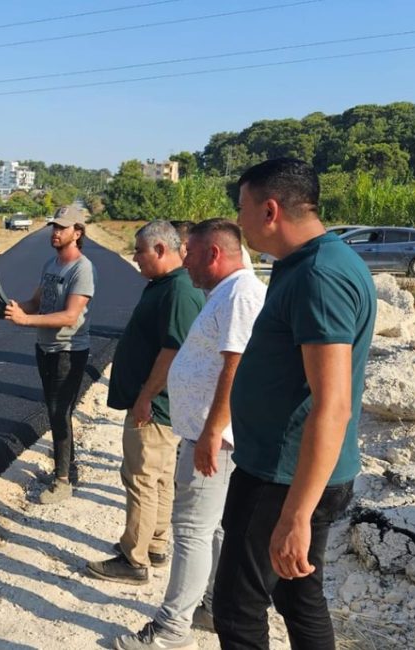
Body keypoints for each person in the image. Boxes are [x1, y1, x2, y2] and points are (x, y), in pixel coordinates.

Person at [214, 158, 376, 649]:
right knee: (297, 597)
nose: (238, 222)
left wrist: (296, 514)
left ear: (269, 210)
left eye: (241, 210)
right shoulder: (309, 264)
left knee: (238, 612)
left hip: (281, 479)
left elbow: (334, 405)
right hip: (290, 472)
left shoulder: (319, 277)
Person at [114, 219, 266, 650]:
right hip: (210, 433)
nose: (187, 261)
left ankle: (170, 629)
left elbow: (234, 369)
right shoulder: (226, 292)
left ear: (214, 254)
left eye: (192, 253)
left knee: (192, 531)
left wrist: (212, 431)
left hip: (213, 438)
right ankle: (213, 604)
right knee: (213, 528)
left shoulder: (239, 295)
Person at [89, 221, 205, 584]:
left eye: (139, 251)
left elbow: (173, 351)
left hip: (155, 407)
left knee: (140, 478)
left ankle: (133, 559)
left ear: (160, 249)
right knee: (158, 478)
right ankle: (154, 543)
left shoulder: (179, 291)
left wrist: (145, 398)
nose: (135, 258)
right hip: (162, 404)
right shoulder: (167, 285)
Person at [4, 208, 96, 504]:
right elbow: (35, 302)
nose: (55, 232)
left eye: (62, 227)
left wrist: (25, 321)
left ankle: (63, 481)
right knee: (54, 410)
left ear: (77, 233)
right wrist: (8, 308)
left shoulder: (82, 269)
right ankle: (66, 468)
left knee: (60, 412)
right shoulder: (51, 264)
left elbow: (70, 316)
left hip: (68, 351)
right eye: (53, 226)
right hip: (45, 348)